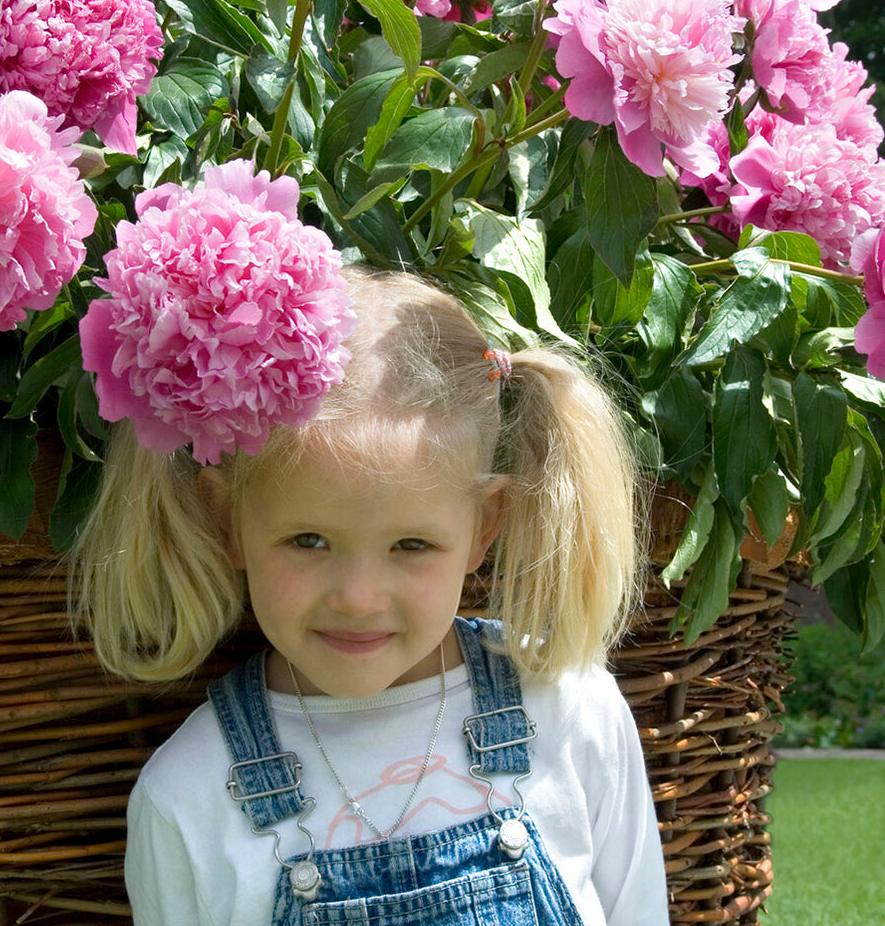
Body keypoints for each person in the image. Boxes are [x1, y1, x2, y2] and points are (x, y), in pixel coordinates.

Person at [72, 265, 669, 926]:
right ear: (228, 523)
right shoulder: (191, 794)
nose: (358, 598)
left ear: (484, 528)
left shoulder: (567, 711)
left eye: (411, 546)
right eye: (307, 541)